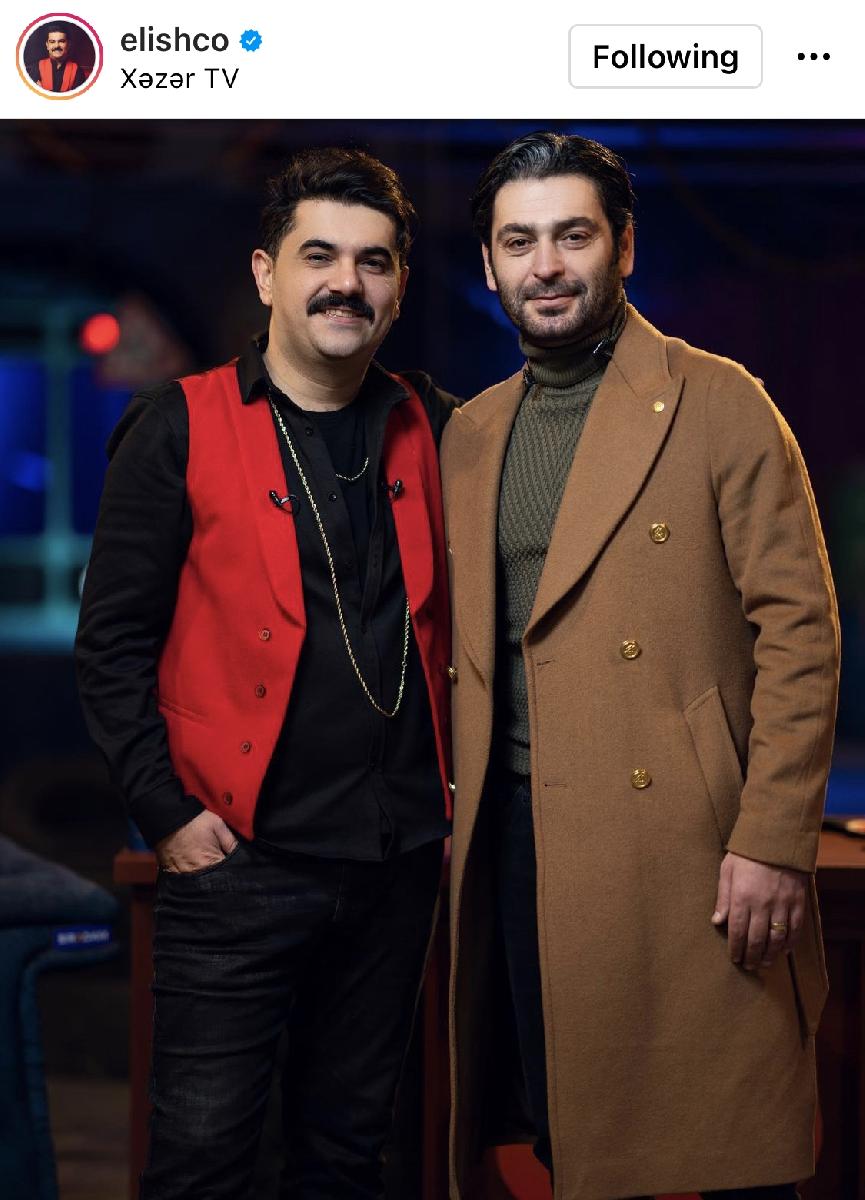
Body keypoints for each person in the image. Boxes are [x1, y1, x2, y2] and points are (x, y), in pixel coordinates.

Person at [441, 131, 839, 1200]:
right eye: (518, 241)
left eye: (572, 236)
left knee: (737, 1150)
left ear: (622, 246)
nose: (545, 266)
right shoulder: (470, 433)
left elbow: (799, 633)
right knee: (574, 1148)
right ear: (488, 264)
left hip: (691, 846)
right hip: (521, 840)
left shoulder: (720, 401)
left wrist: (771, 840)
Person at [76, 147, 457, 1199]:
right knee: (202, 1161)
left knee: (349, 1158)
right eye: (318, 256)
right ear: (265, 274)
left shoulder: (436, 425)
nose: (347, 283)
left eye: (373, 261)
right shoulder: (175, 425)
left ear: (399, 286)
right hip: (237, 865)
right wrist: (168, 815)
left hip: (395, 865)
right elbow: (110, 644)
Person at [27, 25, 89, 93]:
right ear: (47, 45)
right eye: (52, 42)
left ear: (68, 45)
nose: (57, 46)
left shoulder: (77, 71)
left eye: (61, 41)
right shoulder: (36, 67)